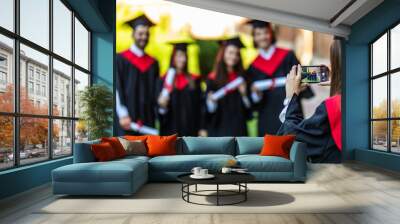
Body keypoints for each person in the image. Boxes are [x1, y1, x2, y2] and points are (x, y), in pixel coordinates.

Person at [277, 38, 342, 163]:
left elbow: (291, 136)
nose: (329, 65)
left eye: (332, 60)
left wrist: (290, 97)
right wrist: (340, 83)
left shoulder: (334, 106)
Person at [246, 20, 313, 136]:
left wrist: (301, 86)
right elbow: (254, 102)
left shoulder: (288, 56)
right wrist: (255, 94)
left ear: (271, 34)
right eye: (258, 34)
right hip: (267, 118)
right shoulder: (252, 67)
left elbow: (304, 81)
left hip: (290, 112)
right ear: (254, 38)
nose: (262, 37)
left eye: (265, 32)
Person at [115, 15, 160, 135]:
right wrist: (123, 114)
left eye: (147, 34)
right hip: (128, 120)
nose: (144, 37)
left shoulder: (153, 63)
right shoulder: (121, 59)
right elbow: (117, 88)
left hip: (148, 119)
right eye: (140, 33)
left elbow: (156, 92)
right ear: (133, 34)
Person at [205, 37, 252, 136]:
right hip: (219, 128)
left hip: (238, 128)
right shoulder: (212, 79)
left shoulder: (242, 78)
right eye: (230, 52)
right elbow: (209, 111)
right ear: (223, 54)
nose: (234, 57)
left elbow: (249, 111)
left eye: (237, 54)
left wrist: (244, 95)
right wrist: (211, 102)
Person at [157, 42, 205, 136]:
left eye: (184, 56)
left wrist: (202, 127)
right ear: (173, 58)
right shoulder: (163, 80)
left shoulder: (194, 80)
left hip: (191, 130)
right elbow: (159, 111)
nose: (183, 59)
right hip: (169, 131)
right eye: (179, 56)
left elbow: (200, 106)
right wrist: (162, 106)